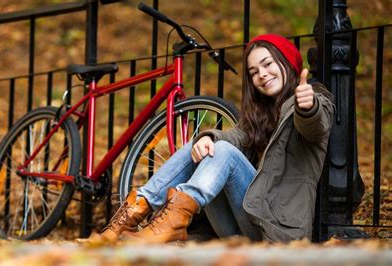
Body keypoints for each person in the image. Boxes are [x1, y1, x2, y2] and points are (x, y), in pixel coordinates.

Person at [89, 33, 334, 243]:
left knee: (222, 151)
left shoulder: (313, 100)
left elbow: (314, 127)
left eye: (268, 64)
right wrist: (208, 138)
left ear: (287, 61)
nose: (262, 74)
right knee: (204, 145)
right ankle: (129, 216)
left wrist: (307, 106)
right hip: (240, 222)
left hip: (277, 230)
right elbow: (235, 136)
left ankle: (169, 223)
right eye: (254, 71)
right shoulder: (263, 114)